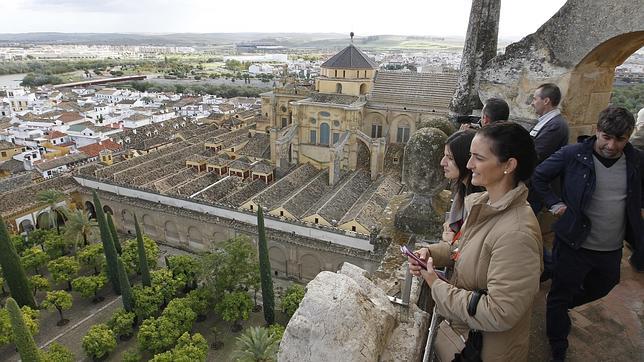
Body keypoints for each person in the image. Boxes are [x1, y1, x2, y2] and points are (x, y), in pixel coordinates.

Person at [409, 122, 542, 361]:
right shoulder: (485, 205)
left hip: (486, 352)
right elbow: (464, 250)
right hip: (467, 340)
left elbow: (500, 312)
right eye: (470, 156)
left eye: (478, 158)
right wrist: (431, 253)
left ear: (509, 166)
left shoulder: (517, 234)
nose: (469, 165)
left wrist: (437, 286)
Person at [532, 106, 643, 361]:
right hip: (573, 242)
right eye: (606, 137)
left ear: (629, 137)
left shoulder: (636, 159)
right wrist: (554, 203)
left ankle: (559, 307)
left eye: (620, 139)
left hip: (610, 246)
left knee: (604, 287)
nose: (612, 146)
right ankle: (558, 342)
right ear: (597, 131)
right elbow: (539, 176)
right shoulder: (573, 155)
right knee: (561, 292)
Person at [439, 129, 482, 243]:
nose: (442, 162)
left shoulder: (479, 202)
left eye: (450, 158)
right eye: (445, 156)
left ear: (465, 160)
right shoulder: (463, 188)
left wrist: (452, 241)